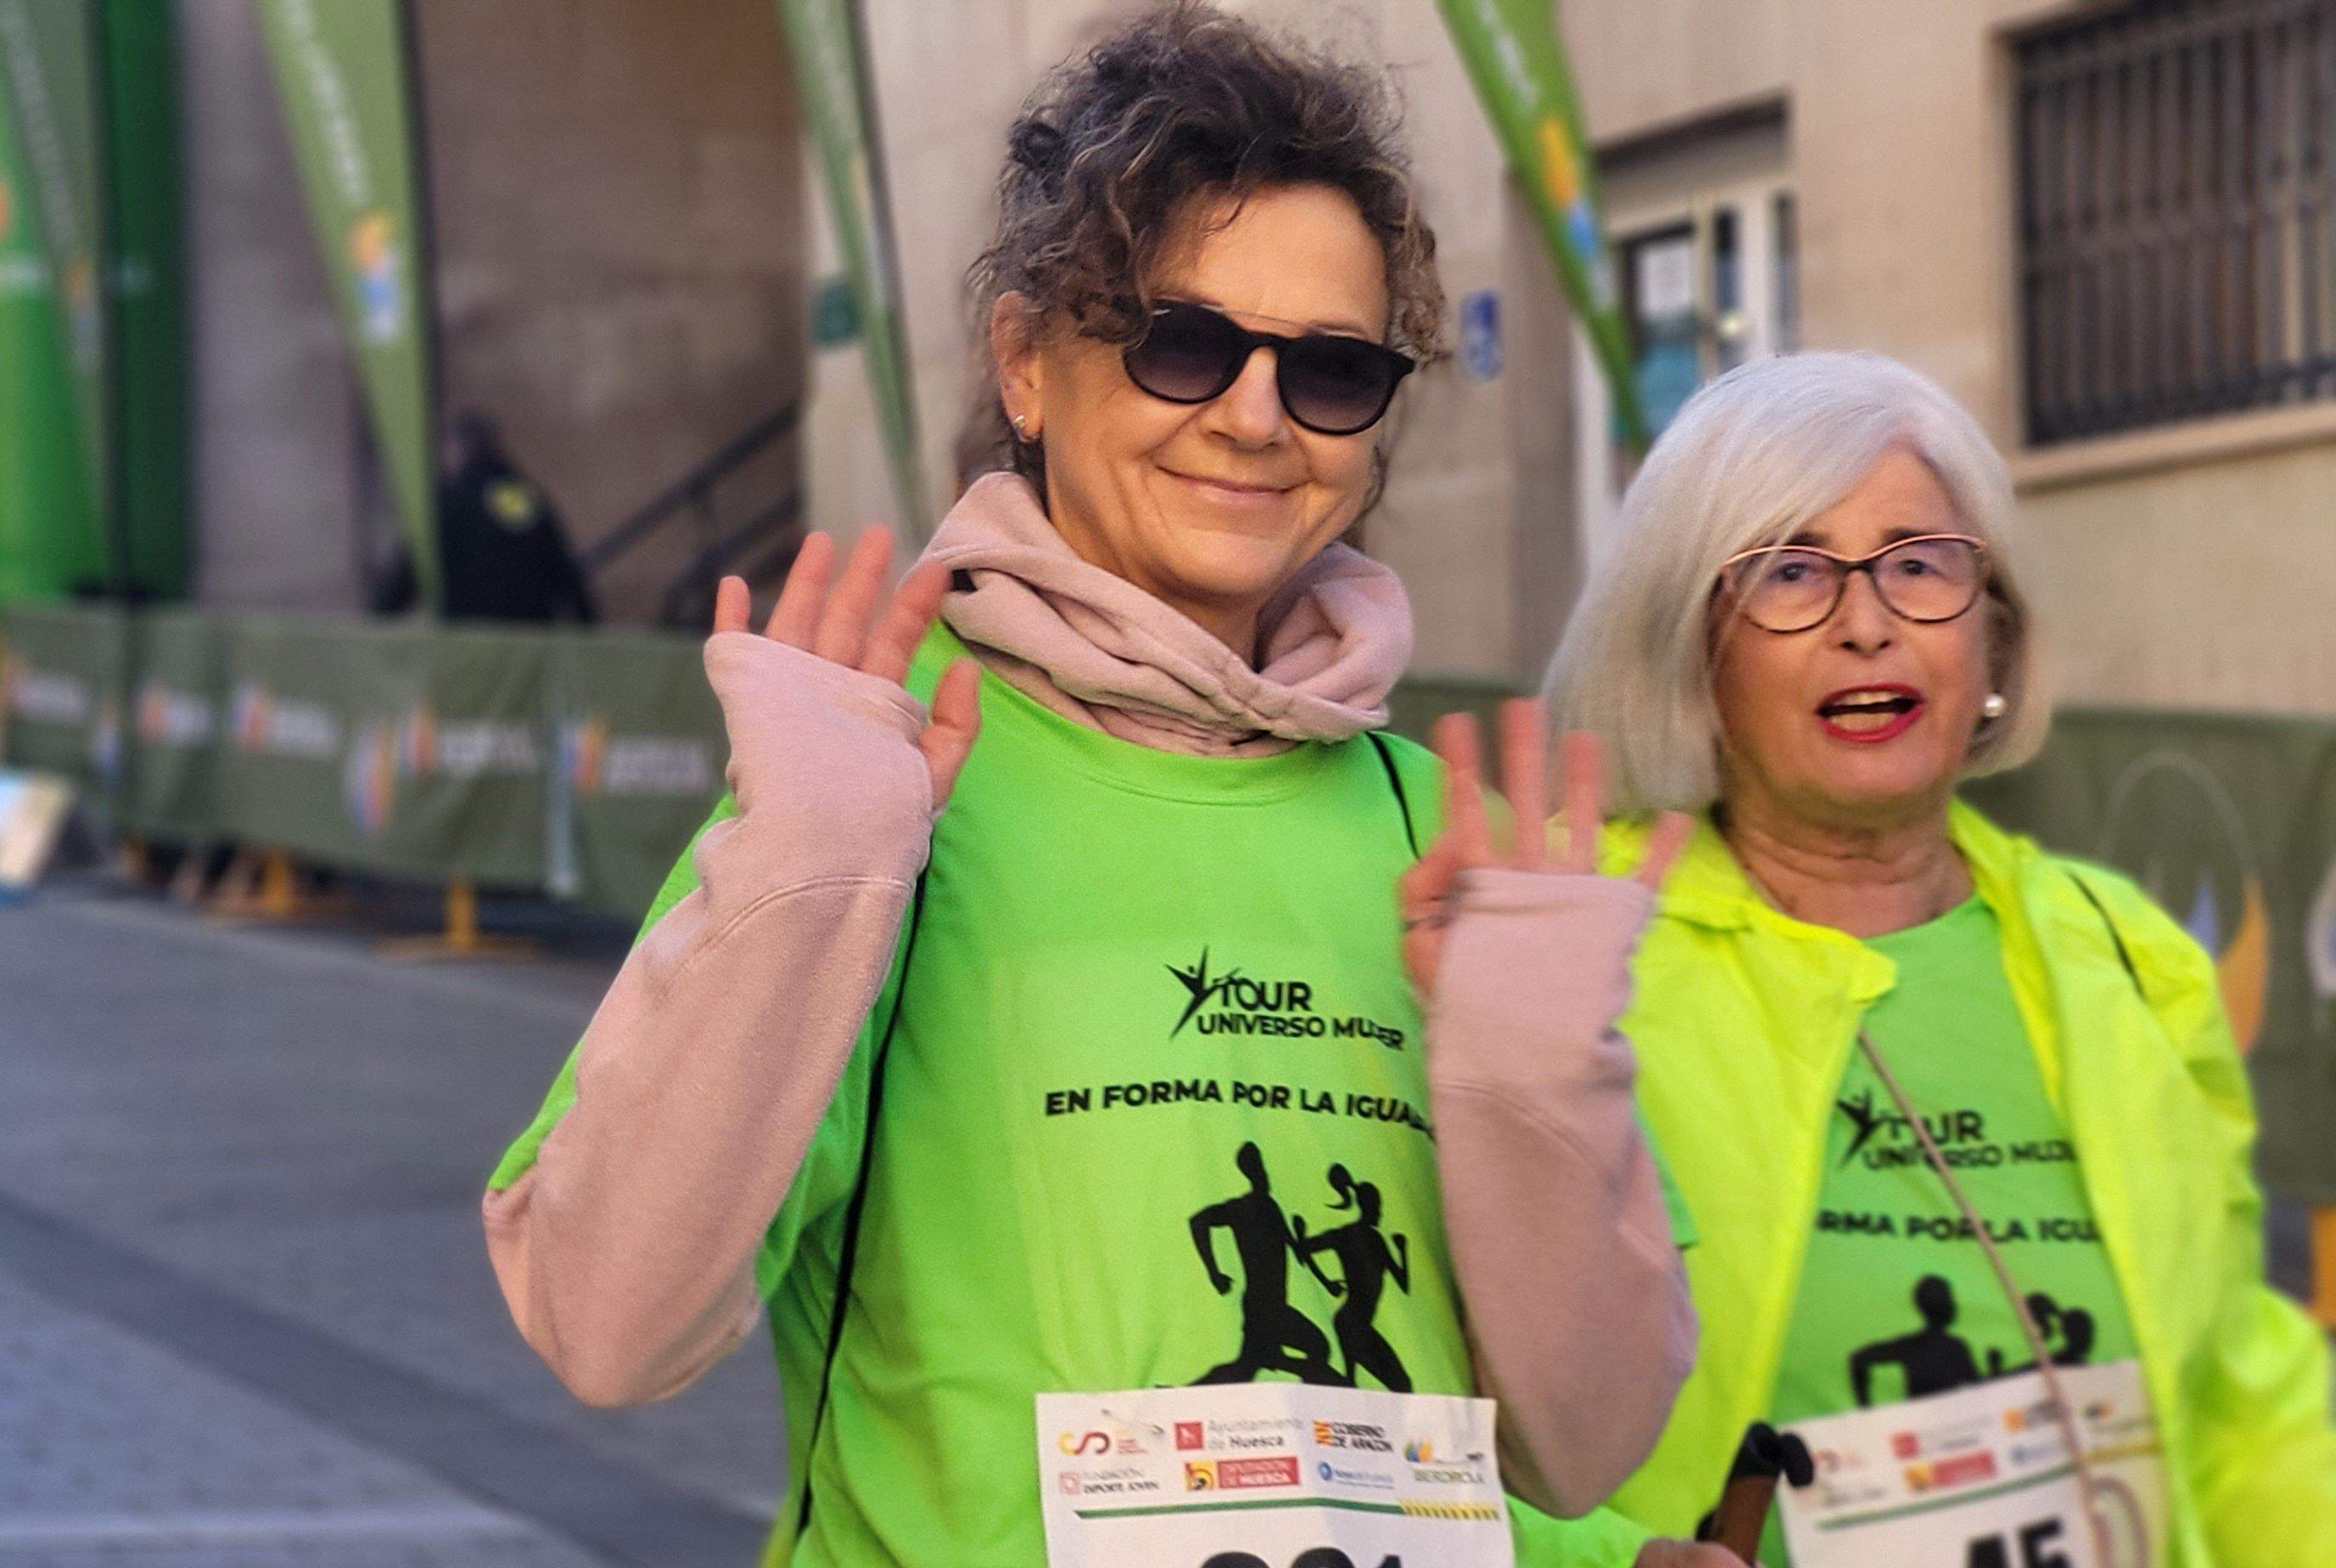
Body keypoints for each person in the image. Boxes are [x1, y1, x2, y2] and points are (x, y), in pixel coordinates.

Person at [483, 11, 1699, 1560]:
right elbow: (603, 1319)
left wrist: (1533, 1086)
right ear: (1025, 361)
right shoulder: (875, 785)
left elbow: (1565, 1451)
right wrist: (803, 868)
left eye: (1330, 369)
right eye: (1183, 343)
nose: (1256, 416)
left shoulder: (1425, 829)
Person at [1533, 352, 2336, 1566]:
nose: (1868, 623)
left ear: (1997, 639)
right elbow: (1439, 1393)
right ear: (1692, 643)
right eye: (1790, 573)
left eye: (1919, 565)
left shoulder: (2129, 956)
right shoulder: (1556, 935)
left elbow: (2237, 1392)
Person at [368, 411, 597, 621]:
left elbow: (413, 568)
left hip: (471, 644)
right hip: (529, 647)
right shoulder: (521, 498)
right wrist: (587, 626)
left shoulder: (453, 499)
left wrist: (378, 613)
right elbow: (560, 568)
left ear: (456, 449)